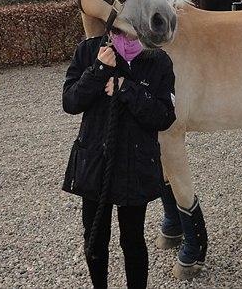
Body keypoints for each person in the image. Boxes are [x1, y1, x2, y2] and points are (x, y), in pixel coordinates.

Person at [62, 31, 176, 289]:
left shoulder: (158, 60)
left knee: (133, 240)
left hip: (134, 167)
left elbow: (165, 116)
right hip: (94, 165)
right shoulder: (89, 51)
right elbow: (70, 101)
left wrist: (127, 89)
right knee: (95, 240)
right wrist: (99, 69)